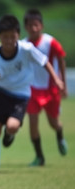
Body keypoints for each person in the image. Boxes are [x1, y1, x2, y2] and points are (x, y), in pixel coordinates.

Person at [0, 15, 64, 173]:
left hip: (20, 95)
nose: (9, 41)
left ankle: (10, 134)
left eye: (12, 37)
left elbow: (44, 62)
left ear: (18, 36)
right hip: (1, 92)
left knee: (12, 126)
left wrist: (56, 79)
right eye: (5, 37)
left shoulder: (26, 49)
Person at [23, 9, 68, 166]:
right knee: (33, 123)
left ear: (41, 25)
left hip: (51, 90)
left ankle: (60, 135)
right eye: (29, 25)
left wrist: (63, 83)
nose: (33, 28)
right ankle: (39, 156)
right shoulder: (23, 45)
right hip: (32, 90)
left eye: (35, 25)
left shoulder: (50, 42)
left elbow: (62, 60)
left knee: (53, 123)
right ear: (25, 27)